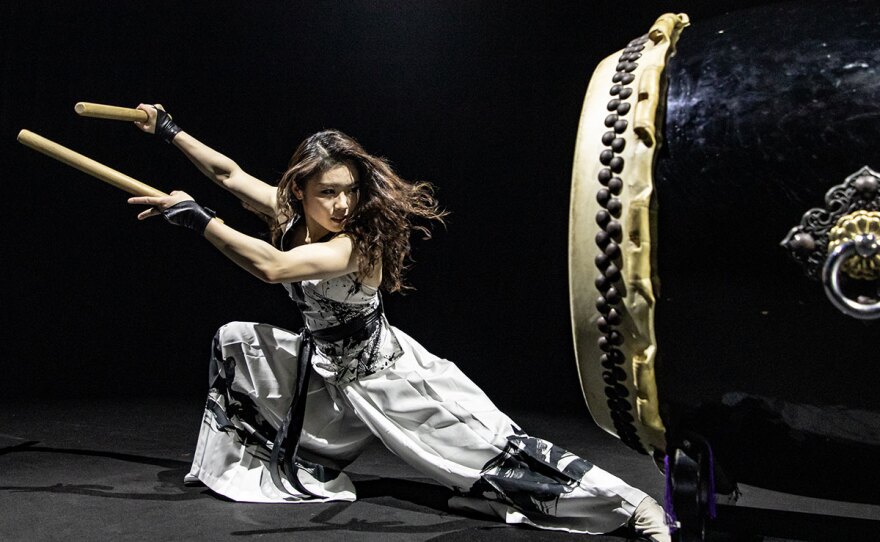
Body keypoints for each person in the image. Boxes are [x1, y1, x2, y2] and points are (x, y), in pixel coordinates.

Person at [127, 104, 670, 541]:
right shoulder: (288, 216)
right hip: (328, 382)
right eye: (328, 192)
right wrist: (169, 129)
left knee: (498, 452)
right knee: (236, 340)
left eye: (349, 190)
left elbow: (272, 268)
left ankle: (634, 506)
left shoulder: (357, 245)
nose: (342, 203)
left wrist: (198, 219)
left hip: (391, 380)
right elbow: (228, 173)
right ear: (299, 191)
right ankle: (281, 465)